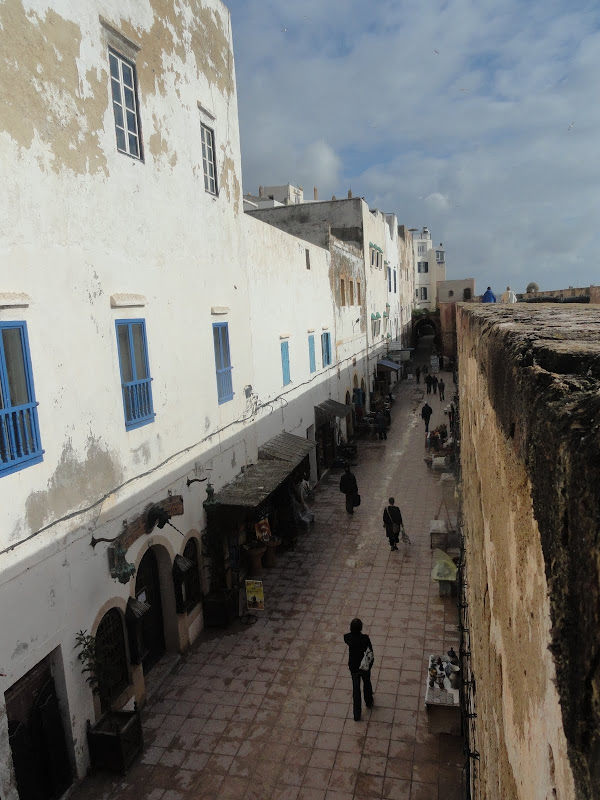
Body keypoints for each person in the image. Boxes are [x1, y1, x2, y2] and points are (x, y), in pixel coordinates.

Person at [343, 618, 374, 721]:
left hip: (354, 668)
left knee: (356, 690)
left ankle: (357, 714)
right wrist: (370, 665)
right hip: (364, 666)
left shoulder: (348, 638)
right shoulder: (364, 639)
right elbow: (370, 652)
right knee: (367, 683)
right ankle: (368, 701)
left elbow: (346, 637)